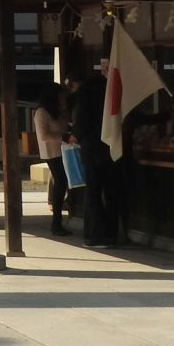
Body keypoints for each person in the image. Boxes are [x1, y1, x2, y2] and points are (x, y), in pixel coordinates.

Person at [66, 65, 117, 246]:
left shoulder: (84, 95)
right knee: (111, 192)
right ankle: (112, 232)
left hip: (91, 148)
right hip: (111, 148)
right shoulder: (109, 94)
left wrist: (75, 135)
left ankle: (98, 233)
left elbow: (81, 120)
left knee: (94, 193)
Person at [32, 82, 70, 236]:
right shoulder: (42, 112)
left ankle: (58, 221)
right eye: (60, 96)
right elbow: (44, 136)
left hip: (64, 151)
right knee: (60, 184)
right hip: (52, 152)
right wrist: (64, 137)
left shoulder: (59, 111)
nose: (63, 98)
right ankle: (56, 222)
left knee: (63, 184)